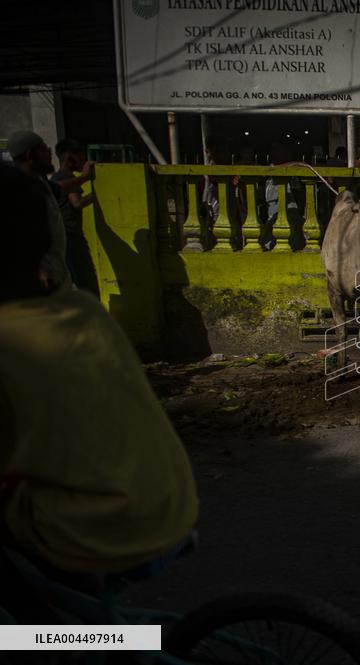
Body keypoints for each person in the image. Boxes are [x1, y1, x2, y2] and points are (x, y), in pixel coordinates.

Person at [0, 165, 198, 595]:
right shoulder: (82, 309)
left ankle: (59, 639)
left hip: (98, 529)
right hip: (173, 500)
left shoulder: (9, 339)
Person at [7, 130, 68, 290]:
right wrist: (40, 269)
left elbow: (59, 188)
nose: (49, 152)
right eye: (43, 148)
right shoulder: (20, 191)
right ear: (29, 155)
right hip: (42, 280)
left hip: (56, 273)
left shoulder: (39, 182)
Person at [51, 139, 100, 297]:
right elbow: (77, 203)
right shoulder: (66, 176)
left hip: (64, 236)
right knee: (87, 282)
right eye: (81, 157)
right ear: (71, 158)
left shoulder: (57, 177)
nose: (83, 161)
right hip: (72, 236)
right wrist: (99, 195)